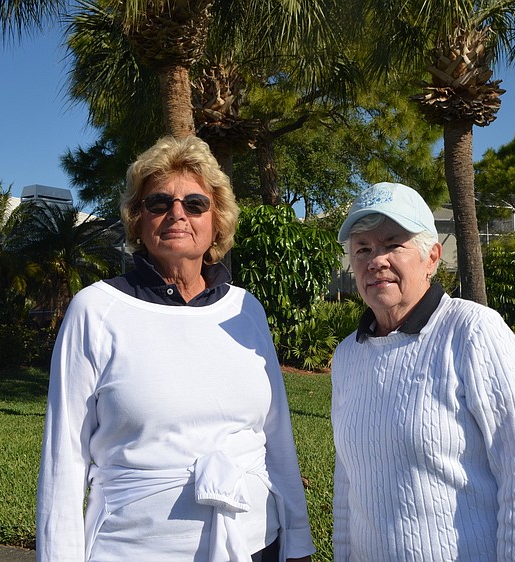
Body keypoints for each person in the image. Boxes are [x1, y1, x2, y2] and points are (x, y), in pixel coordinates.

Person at [36, 135, 314, 562]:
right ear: (138, 220)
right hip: (134, 549)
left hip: (254, 544)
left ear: (217, 220)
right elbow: (64, 457)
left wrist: (297, 540)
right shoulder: (96, 310)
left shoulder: (246, 310)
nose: (177, 214)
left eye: (195, 204)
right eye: (159, 203)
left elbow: (276, 438)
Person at [331, 182, 515, 561]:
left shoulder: (474, 333)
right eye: (363, 249)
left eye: (393, 244)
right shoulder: (348, 355)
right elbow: (347, 483)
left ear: (432, 257)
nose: (376, 260)